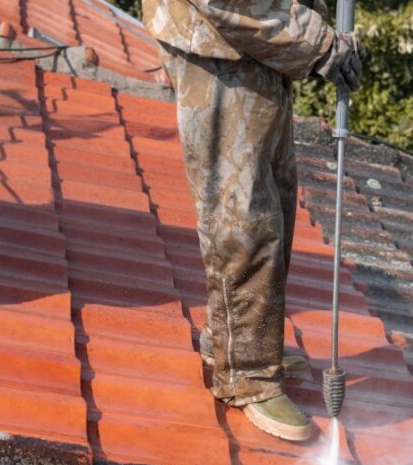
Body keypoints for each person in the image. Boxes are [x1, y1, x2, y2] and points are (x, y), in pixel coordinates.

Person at [142, 0, 365, 441]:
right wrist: (317, 44)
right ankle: (247, 374)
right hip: (222, 40)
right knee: (245, 216)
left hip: (254, 40)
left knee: (274, 201)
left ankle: (235, 343)